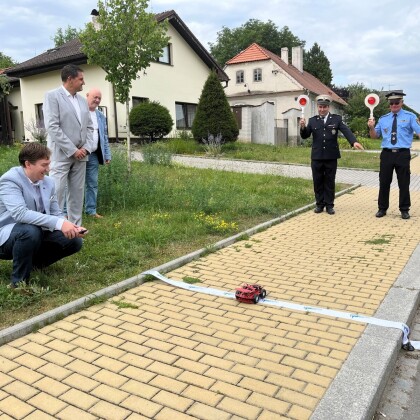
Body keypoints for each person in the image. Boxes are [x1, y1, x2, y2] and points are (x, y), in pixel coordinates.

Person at [0, 143, 87, 288]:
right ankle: (18, 284)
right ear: (28, 164)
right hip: (6, 236)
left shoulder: (49, 182)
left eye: (49, 164)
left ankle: (32, 265)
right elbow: (20, 214)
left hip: (35, 232)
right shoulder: (10, 180)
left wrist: (71, 227)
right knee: (29, 231)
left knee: (73, 241)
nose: (48, 169)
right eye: (44, 165)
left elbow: (55, 212)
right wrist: (59, 224)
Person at [43, 64, 94, 226]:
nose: (83, 83)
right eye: (81, 79)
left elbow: (90, 127)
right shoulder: (52, 96)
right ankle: (54, 228)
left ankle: (76, 228)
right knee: (56, 192)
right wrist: (72, 150)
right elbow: (52, 126)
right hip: (61, 154)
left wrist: (85, 148)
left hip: (82, 155)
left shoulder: (82, 101)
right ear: (70, 79)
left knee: (77, 194)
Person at [300, 94, 364, 215]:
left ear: (328, 107)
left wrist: (353, 141)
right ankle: (319, 204)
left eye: (324, 107)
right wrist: (302, 127)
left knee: (329, 181)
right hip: (317, 156)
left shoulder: (336, 119)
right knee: (317, 181)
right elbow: (305, 135)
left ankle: (329, 205)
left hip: (331, 156)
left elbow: (346, 130)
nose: (322, 109)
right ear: (318, 107)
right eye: (320, 107)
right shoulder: (312, 120)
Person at [368, 91, 420, 219]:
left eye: (397, 102)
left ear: (402, 103)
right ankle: (382, 208)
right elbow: (375, 136)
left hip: (402, 153)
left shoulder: (410, 116)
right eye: (392, 103)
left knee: (404, 182)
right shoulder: (383, 118)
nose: (394, 105)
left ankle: (404, 209)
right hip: (387, 154)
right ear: (389, 104)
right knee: (384, 182)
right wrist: (371, 127)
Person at [85, 88, 111, 218]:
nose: (97, 100)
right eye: (94, 97)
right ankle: (66, 212)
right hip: (79, 154)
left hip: (94, 154)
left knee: (92, 184)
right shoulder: (79, 111)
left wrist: (107, 154)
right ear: (87, 96)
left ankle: (91, 211)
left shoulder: (100, 115)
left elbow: (104, 136)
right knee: (73, 185)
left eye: (99, 98)